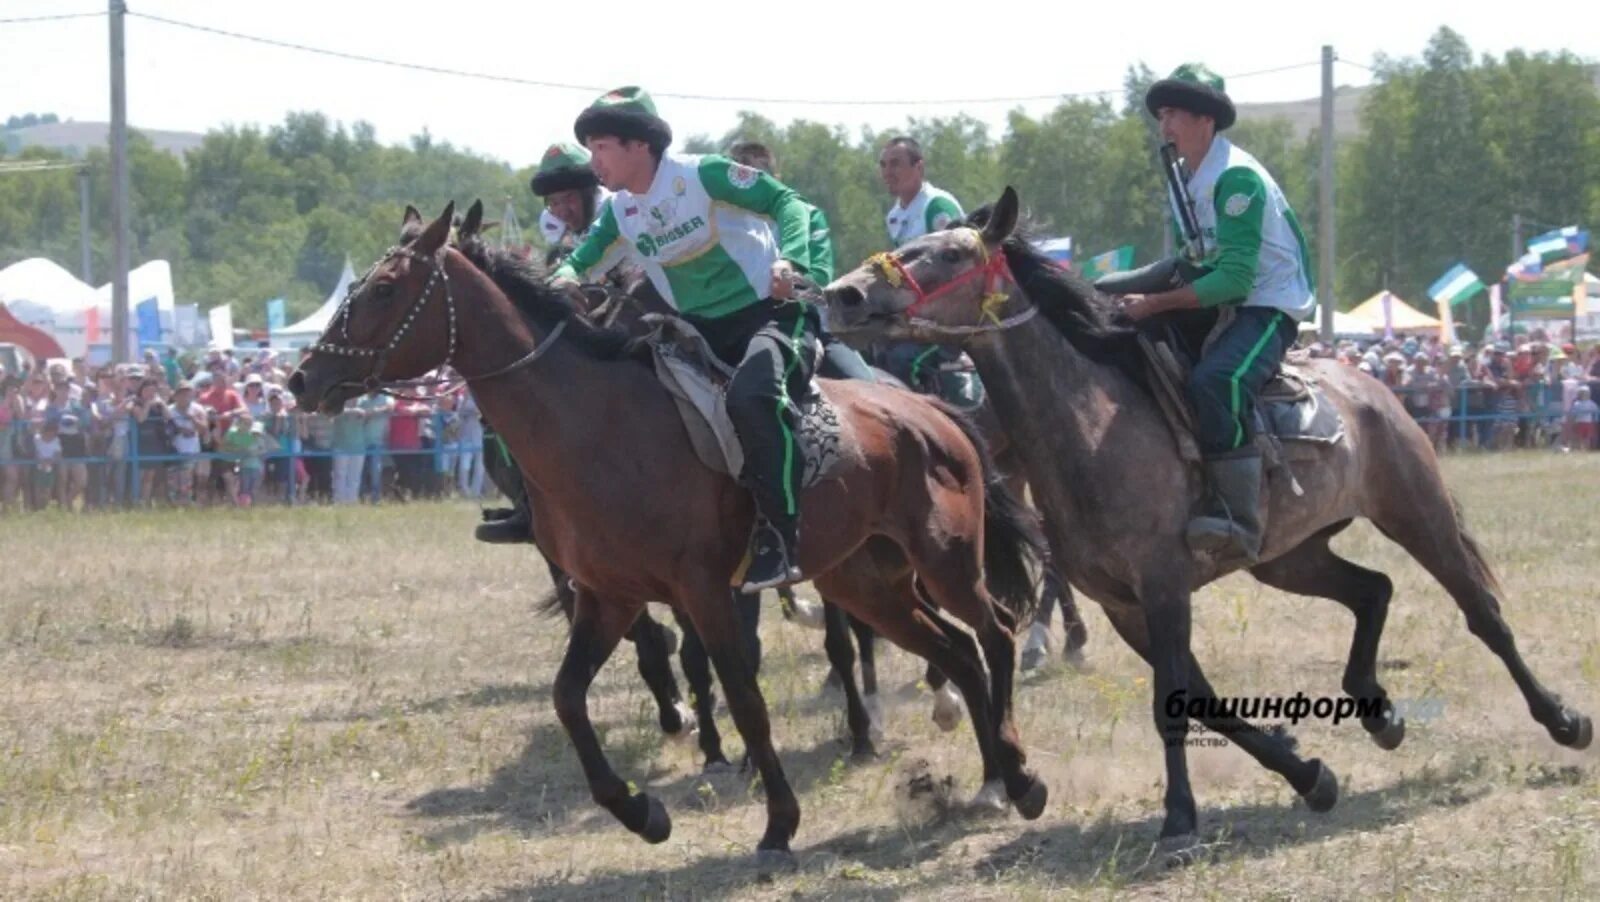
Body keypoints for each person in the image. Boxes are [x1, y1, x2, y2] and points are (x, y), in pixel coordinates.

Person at [551, 86, 823, 591]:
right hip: (700, 333)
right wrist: (564, 278)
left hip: (774, 315)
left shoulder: (707, 175)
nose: (592, 163)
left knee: (753, 397)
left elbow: (791, 204)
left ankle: (781, 536)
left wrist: (796, 263)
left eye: (601, 148)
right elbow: (580, 259)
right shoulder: (618, 211)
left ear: (640, 146)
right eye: (588, 150)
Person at [1113, 63, 1317, 565]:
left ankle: (1239, 519)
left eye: (1174, 114)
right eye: (1161, 116)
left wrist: (1154, 303)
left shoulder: (1235, 178)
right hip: (1227, 298)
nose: (1165, 127)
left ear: (1205, 119)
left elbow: (1233, 280)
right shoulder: (1189, 177)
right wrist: (1104, 288)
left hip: (1268, 304)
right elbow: (1189, 262)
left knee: (1216, 380)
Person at [873, 136, 970, 395]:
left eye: (895, 164)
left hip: (949, 321)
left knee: (903, 361)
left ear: (919, 168)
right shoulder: (895, 215)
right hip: (917, 319)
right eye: (883, 165)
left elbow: (957, 272)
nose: (887, 172)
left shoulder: (937, 206)